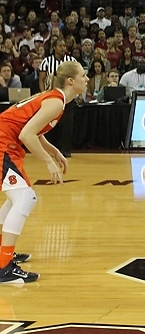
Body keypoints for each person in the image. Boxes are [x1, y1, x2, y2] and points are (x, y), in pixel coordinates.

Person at [0, 61, 88, 283]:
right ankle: (3, 267)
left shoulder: (54, 98)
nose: (86, 79)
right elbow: (26, 135)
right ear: (71, 81)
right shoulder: (56, 102)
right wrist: (48, 162)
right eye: (83, 76)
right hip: (3, 142)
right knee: (25, 198)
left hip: (7, 141)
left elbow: (34, 131)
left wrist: (54, 151)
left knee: (14, 201)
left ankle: (2, 254)